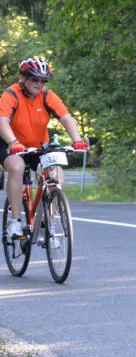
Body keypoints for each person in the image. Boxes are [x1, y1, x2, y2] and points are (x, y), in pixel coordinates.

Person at [1, 57, 88, 239]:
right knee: (17, 167)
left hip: (37, 146)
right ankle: (15, 222)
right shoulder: (11, 94)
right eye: (34, 79)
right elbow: (2, 120)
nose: (39, 84)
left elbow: (65, 117)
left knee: (55, 177)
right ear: (23, 78)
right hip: (9, 142)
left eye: (43, 80)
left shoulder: (47, 96)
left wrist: (77, 140)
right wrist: (13, 142)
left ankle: (44, 222)